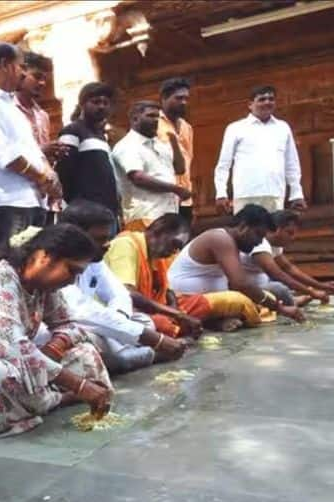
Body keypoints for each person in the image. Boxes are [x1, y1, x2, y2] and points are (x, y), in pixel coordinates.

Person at [0, 224, 114, 438]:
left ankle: (43, 400)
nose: (72, 281)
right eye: (71, 270)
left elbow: (69, 325)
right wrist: (78, 385)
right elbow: (12, 348)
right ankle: (57, 399)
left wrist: (55, 347)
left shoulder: (42, 284)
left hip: (15, 364)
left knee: (85, 354)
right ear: (45, 256)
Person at [58, 200, 187, 370]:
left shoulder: (94, 260)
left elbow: (119, 294)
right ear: (76, 235)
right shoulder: (56, 263)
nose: (107, 245)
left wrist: (119, 319)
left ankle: (127, 350)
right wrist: (157, 340)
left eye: (108, 238)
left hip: (101, 321)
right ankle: (145, 354)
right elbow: (81, 311)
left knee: (144, 322)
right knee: (103, 344)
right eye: (100, 239)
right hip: (71, 327)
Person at [0, 42, 60, 250]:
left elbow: (32, 149)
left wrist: (50, 176)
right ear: (5, 64)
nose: (24, 74)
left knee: (31, 270)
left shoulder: (9, 106)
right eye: (21, 66)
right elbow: (4, 154)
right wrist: (41, 178)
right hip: (8, 202)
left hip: (33, 200)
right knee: (11, 266)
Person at [105, 214, 262, 336]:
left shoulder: (157, 254)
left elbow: (168, 291)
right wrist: (177, 315)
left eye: (178, 249)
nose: (174, 252)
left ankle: (197, 324)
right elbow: (127, 294)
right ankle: (189, 328)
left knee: (206, 303)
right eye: (174, 245)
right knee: (160, 324)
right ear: (159, 230)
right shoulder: (126, 244)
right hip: (126, 311)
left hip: (156, 308)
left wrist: (174, 309)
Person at [168, 204, 305, 323]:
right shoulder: (221, 239)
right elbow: (240, 284)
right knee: (246, 301)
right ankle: (214, 321)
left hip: (207, 298)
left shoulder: (231, 241)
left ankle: (219, 320)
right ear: (243, 227)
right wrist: (280, 308)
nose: (259, 242)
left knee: (262, 298)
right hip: (184, 300)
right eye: (258, 235)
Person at [214, 85, 306, 215]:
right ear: (250, 104)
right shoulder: (235, 128)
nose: (267, 102)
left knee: (272, 233)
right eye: (262, 99)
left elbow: (292, 165)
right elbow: (223, 165)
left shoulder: (283, 128)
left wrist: (297, 193)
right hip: (245, 194)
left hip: (275, 194)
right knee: (246, 234)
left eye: (271, 99)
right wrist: (221, 194)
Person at [112, 100, 189, 232]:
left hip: (167, 215)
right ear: (135, 119)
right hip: (144, 217)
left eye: (157, 117)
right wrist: (175, 189)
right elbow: (138, 178)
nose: (156, 120)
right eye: (150, 116)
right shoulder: (127, 146)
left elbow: (180, 169)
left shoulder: (160, 144)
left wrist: (175, 144)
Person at [242, 209, 334, 305]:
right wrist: (312, 293)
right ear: (277, 229)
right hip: (249, 291)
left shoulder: (274, 246)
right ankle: (292, 303)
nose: (293, 238)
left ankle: (290, 301)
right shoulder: (261, 244)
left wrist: (320, 285)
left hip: (261, 288)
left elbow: (288, 268)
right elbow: (278, 274)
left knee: (284, 288)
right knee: (279, 288)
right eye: (289, 233)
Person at [14, 51, 69, 220]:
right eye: (37, 76)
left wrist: (53, 153)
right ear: (21, 73)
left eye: (45, 78)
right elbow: (7, 152)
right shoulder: (7, 109)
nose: (42, 83)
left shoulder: (42, 115)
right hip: (17, 194)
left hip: (44, 196)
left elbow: (44, 155)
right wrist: (41, 150)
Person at [56, 82, 120, 226]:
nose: (101, 106)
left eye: (105, 103)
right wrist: (76, 204)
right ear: (82, 104)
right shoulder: (72, 131)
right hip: (84, 215)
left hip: (108, 212)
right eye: (96, 102)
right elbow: (64, 171)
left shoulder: (102, 137)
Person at [157, 77, 195, 223]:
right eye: (179, 98)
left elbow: (188, 161)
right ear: (164, 98)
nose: (184, 102)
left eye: (186, 98)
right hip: (164, 197)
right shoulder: (154, 124)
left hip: (185, 199)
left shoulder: (187, 127)